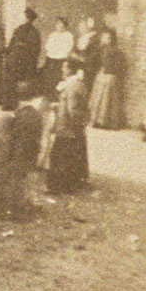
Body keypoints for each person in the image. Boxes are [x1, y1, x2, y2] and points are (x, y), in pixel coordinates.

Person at [48, 60, 89, 194]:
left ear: (70, 70)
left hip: (67, 127)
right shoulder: (77, 84)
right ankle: (70, 184)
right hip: (72, 127)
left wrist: (75, 124)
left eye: (64, 68)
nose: (62, 70)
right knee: (70, 156)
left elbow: (72, 109)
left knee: (58, 156)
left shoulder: (71, 86)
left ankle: (57, 186)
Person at [7, 82, 43, 218]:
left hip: (21, 151)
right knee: (26, 179)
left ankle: (18, 208)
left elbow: (17, 135)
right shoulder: (34, 113)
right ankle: (27, 205)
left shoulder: (23, 114)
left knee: (18, 180)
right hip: (31, 150)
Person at [2, 8, 42, 109]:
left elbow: (33, 51)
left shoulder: (31, 32)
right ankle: (13, 104)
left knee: (13, 83)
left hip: (19, 61)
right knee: (16, 84)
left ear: (27, 18)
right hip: (20, 62)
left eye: (23, 16)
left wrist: (8, 54)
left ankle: (10, 104)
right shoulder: (29, 31)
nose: (22, 18)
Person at [89, 28, 125, 129]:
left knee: (107, 99)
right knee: (97, 98)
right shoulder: (100, 49)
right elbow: (93, 61)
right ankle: (96, 120)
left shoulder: (116, 51)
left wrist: (109, 71)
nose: (105, 40)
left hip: (110, 76)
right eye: (104, 37)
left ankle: (106, 122)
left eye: (108, 38)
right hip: (101, 74)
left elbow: (119, 66)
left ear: (111, 39)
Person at [43, 17, 74, 93]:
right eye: (58, 24)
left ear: (64, 25)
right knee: (49, 79)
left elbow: (67, 49)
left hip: (61, 60)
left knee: (58, 79)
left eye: (61, 24)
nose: (59, 26)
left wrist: (57, 49)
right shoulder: (53, 35)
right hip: (51, 59)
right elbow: (48, 47)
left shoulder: (68, 36)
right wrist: (56, 48)